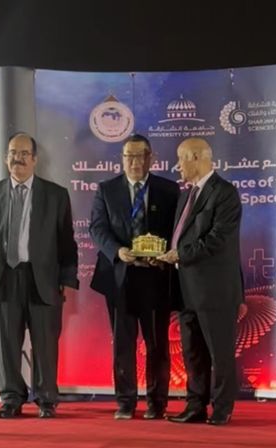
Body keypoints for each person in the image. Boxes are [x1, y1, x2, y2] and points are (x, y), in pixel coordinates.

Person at [0, 133, 78, 419]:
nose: (17, 159)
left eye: (23, 153)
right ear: (5, 158)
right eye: (12, 153)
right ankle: (11, 398)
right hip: (3, 279)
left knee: (45, 344)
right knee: (6, 344)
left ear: (34, 159)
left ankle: (46, 399)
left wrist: (67, 279)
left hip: (43, 279)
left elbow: (67, 242)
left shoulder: (55, 195)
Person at [90, 134, 180, 420]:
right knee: (123, 343)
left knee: (157, 344)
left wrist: (163, 254)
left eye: (140, 156)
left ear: (150, 158)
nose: (134, 162)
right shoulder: (106, 189)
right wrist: (118, 251)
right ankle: (125, 402)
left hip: (156, 277)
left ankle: (157, 403)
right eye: (129, 156)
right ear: (122, 158)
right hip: (120, 277)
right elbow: (97, 228)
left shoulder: (169, 189)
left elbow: (178, 230)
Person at [158, 137, 243, 426]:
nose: (177, 166)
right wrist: (168, 256)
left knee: (220, 353)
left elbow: (218, 239)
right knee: (192, 352)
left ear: (196, 157)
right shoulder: (186, 195)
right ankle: (195, 405)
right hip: (186, 287)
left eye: (180, 159)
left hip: (215, 290)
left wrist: (180, 254)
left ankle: (222, 408)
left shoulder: (225, 193)